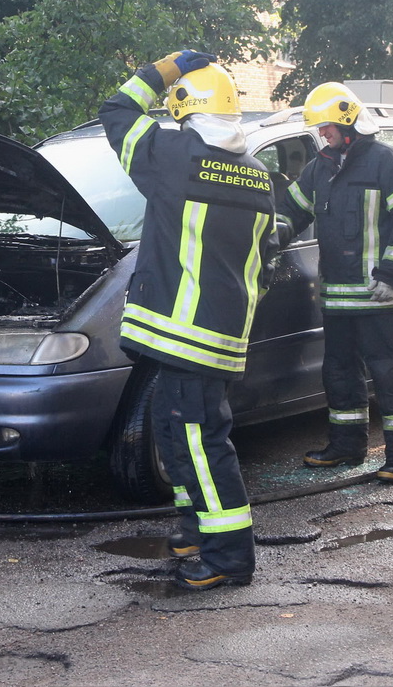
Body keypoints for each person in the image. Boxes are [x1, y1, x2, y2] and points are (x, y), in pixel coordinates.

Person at [98, 50, 278, 591]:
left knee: (200, 441)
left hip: (182, 332)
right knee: (179, 433)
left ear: (186, 112)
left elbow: (116, 111)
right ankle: (196, 530)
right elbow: (265, 259)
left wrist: (166, 67)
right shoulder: (258, 177)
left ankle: (229, 557)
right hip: (215, 334)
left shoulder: (174, 156)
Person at [274, 83, 393, 483]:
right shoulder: (319, 168)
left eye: (326, 127)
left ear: (347, 123)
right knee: (339, 375)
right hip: (338, 299)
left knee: (390, 375)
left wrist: (392, 275)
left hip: (380, 299)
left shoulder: (386, 162)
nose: (322, 134)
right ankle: (346, 447)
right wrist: (271, 236)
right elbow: (292, 212)